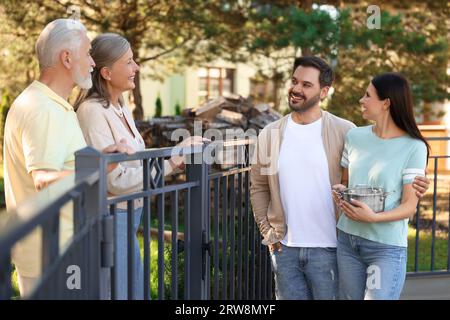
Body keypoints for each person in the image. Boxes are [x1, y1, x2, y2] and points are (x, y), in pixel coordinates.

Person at [250, 56, 430, 300]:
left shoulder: (345, 130)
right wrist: (268, 232)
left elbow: (377, 163)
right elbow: (259, 187)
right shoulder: (270, 134)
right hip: (285, 250)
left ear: (324, 91)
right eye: (294, 82)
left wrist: (418, 180)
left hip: (332, 248)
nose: (296, 89)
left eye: (306, 84)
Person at [3, 19, 132, 298]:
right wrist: (100, 166)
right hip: (52, 256)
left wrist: (100, 156)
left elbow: (64, 165)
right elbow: (43, 180)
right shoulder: (41, 109)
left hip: (64, 248)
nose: (93, 63)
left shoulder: (54, 105)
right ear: (66, 57)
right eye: (87, 53)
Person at [75, 33, 204, 299]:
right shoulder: (91, 112)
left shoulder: (119, 107)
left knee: (134, 291)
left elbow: (136, 160)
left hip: (129, 220)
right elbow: (115, 180)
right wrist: (171, 162)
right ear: (107, 72)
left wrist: (179, 150)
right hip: (110, 220)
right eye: (129, 61)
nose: (137, 68)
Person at [332, 73, 429, 300]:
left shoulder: (414, 147)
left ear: (386, 103)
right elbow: (346, 183)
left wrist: (373, 218)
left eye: (367, 95)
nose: (361, 100)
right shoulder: (354, 136)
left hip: (385, 248)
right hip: (348, 240)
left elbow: (408, 207)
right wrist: (340, 191)